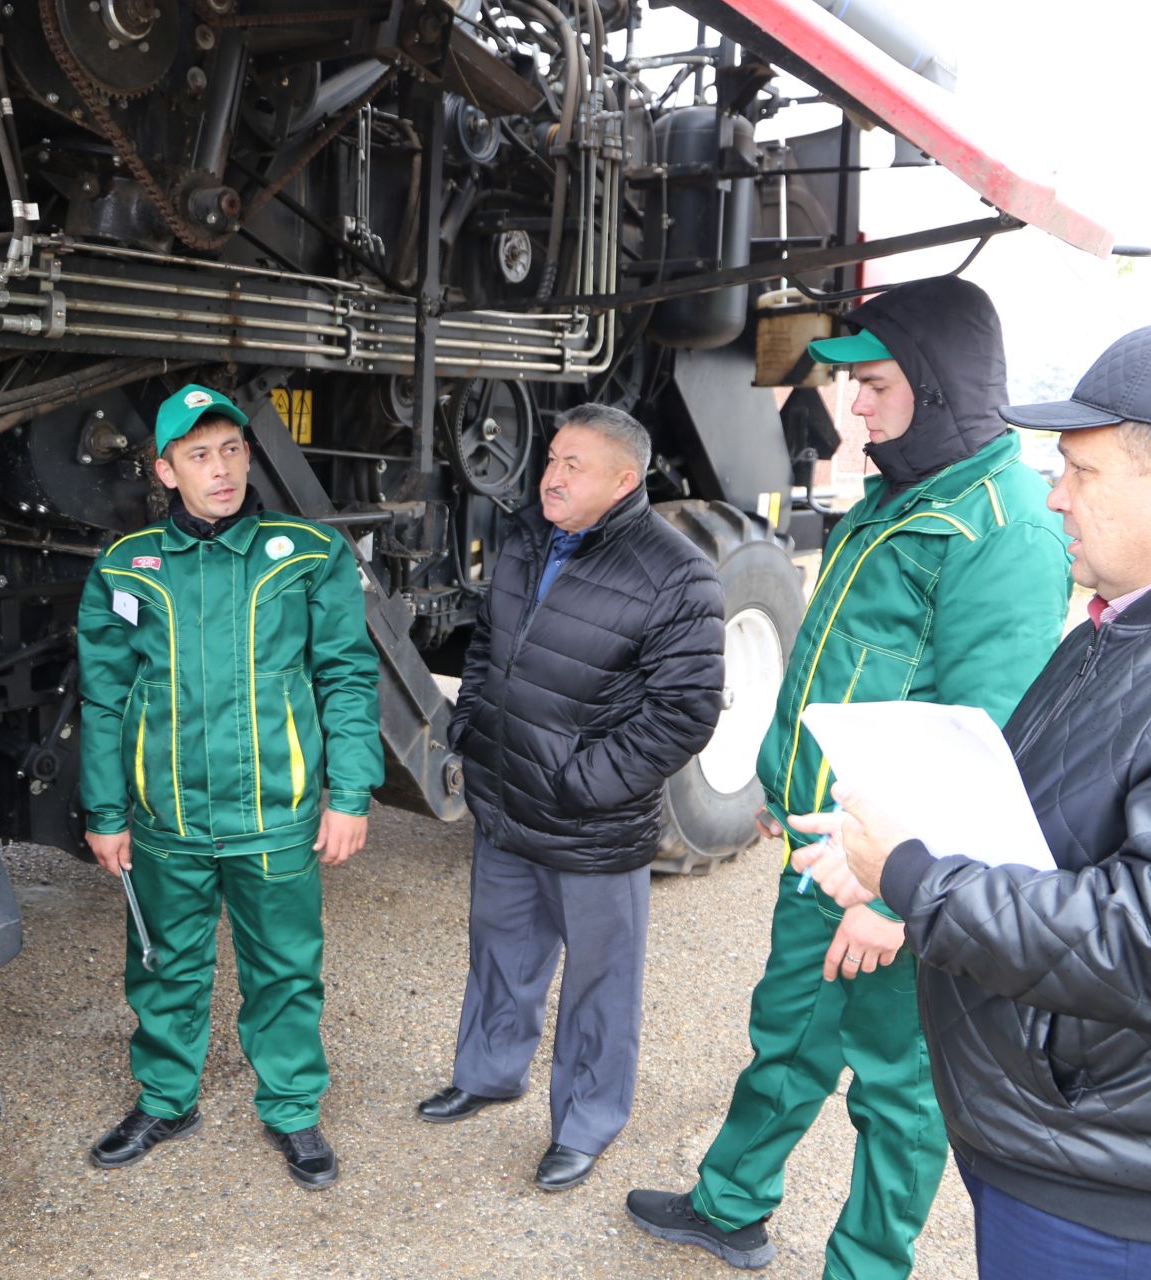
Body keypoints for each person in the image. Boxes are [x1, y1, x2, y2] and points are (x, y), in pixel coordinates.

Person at [793, 321, 1151, 1280]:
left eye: (1080, 472)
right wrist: (896, 853)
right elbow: (1053, 827)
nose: (1054, 497)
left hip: (1118, 1184)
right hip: (1066, 1126)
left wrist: (919, 877)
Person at [625, 276, 1073, 1278]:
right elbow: (843, 665)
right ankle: (731, 1204)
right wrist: (780, 797)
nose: (856, 406)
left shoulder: (1004, 525)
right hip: (828, 843)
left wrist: (898, 892)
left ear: (943, 382)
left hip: (891, 870)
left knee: (895, 1085)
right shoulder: (904, 495)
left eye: (873, 383)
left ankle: (867, 1265)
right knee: (785, 1035)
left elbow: (986, 739)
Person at [76, 383, 382, 1189]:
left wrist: (349, 794)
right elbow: (104, 698)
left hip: (273, 814)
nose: (222, 470)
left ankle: (291, 1109)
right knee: (164, 965)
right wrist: (107, 811)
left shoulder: (308, 555)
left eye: (233, 450)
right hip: (166, 817)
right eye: (200, 455)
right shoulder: (124, 568)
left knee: (283, 967)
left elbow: (348, 677)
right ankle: (167, 1098)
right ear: (165, 470)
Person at [415, 402, 725, 1192]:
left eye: (572, 466)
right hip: (506, 797)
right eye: (552, 459)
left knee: (599, 982)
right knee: (500, 953)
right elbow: (488, 646)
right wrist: (472, 730)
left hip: (591, 823)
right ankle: (487, 1074)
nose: (550, 475)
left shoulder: (678, 574)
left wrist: (582, 783)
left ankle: (585, 1121)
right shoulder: (526, 542)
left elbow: (683, 713)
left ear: (624, 481)